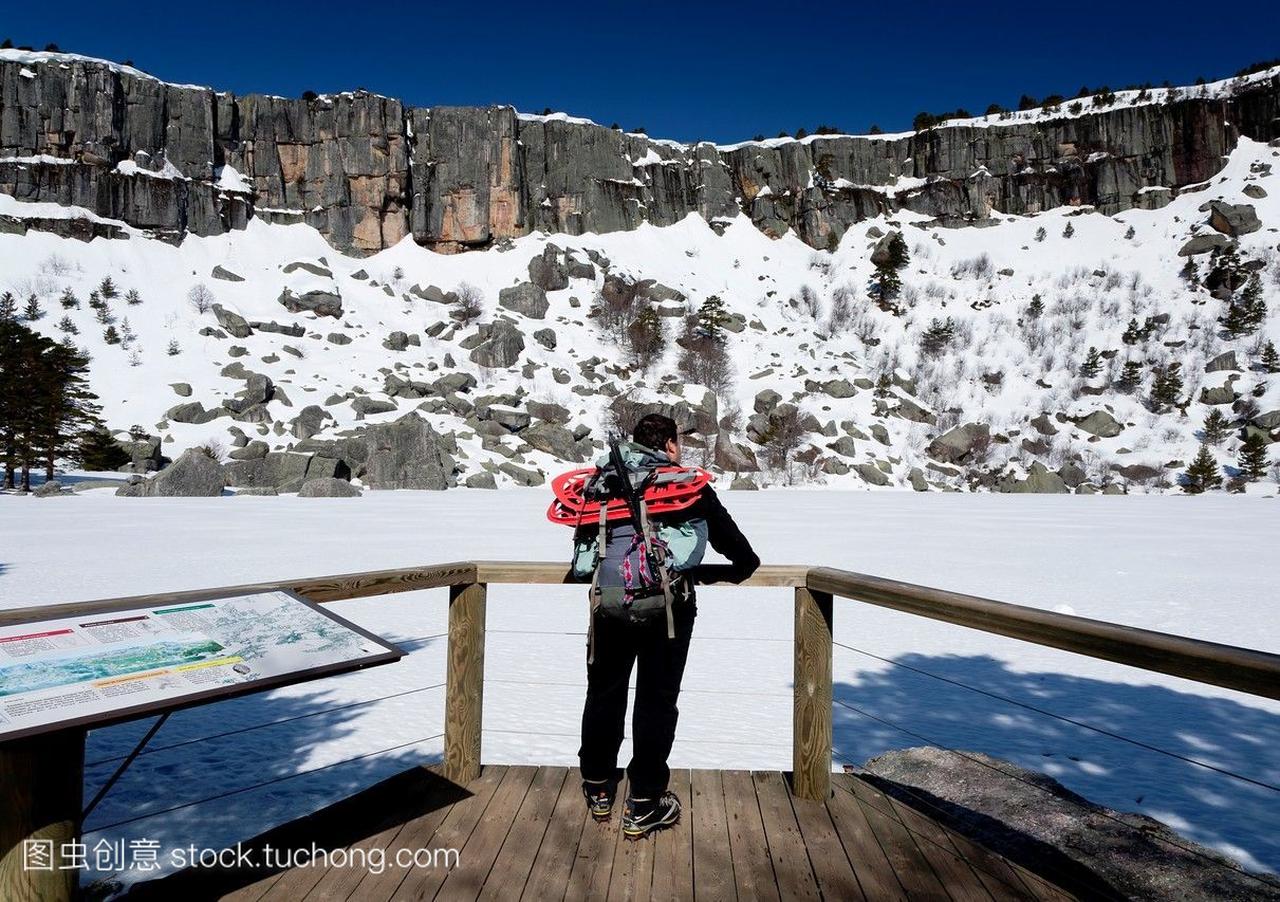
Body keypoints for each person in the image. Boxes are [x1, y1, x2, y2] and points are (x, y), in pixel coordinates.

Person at [579, 413, 759, 837]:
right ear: (671, 445)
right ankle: (643, 800)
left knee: (604, 692)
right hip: (669, 609)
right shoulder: (682, 482)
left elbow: (585, 546)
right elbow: (738, 551)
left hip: (607, 604)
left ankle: (598, 786)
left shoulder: (605, 479)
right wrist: (734, 569)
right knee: (657, 700)